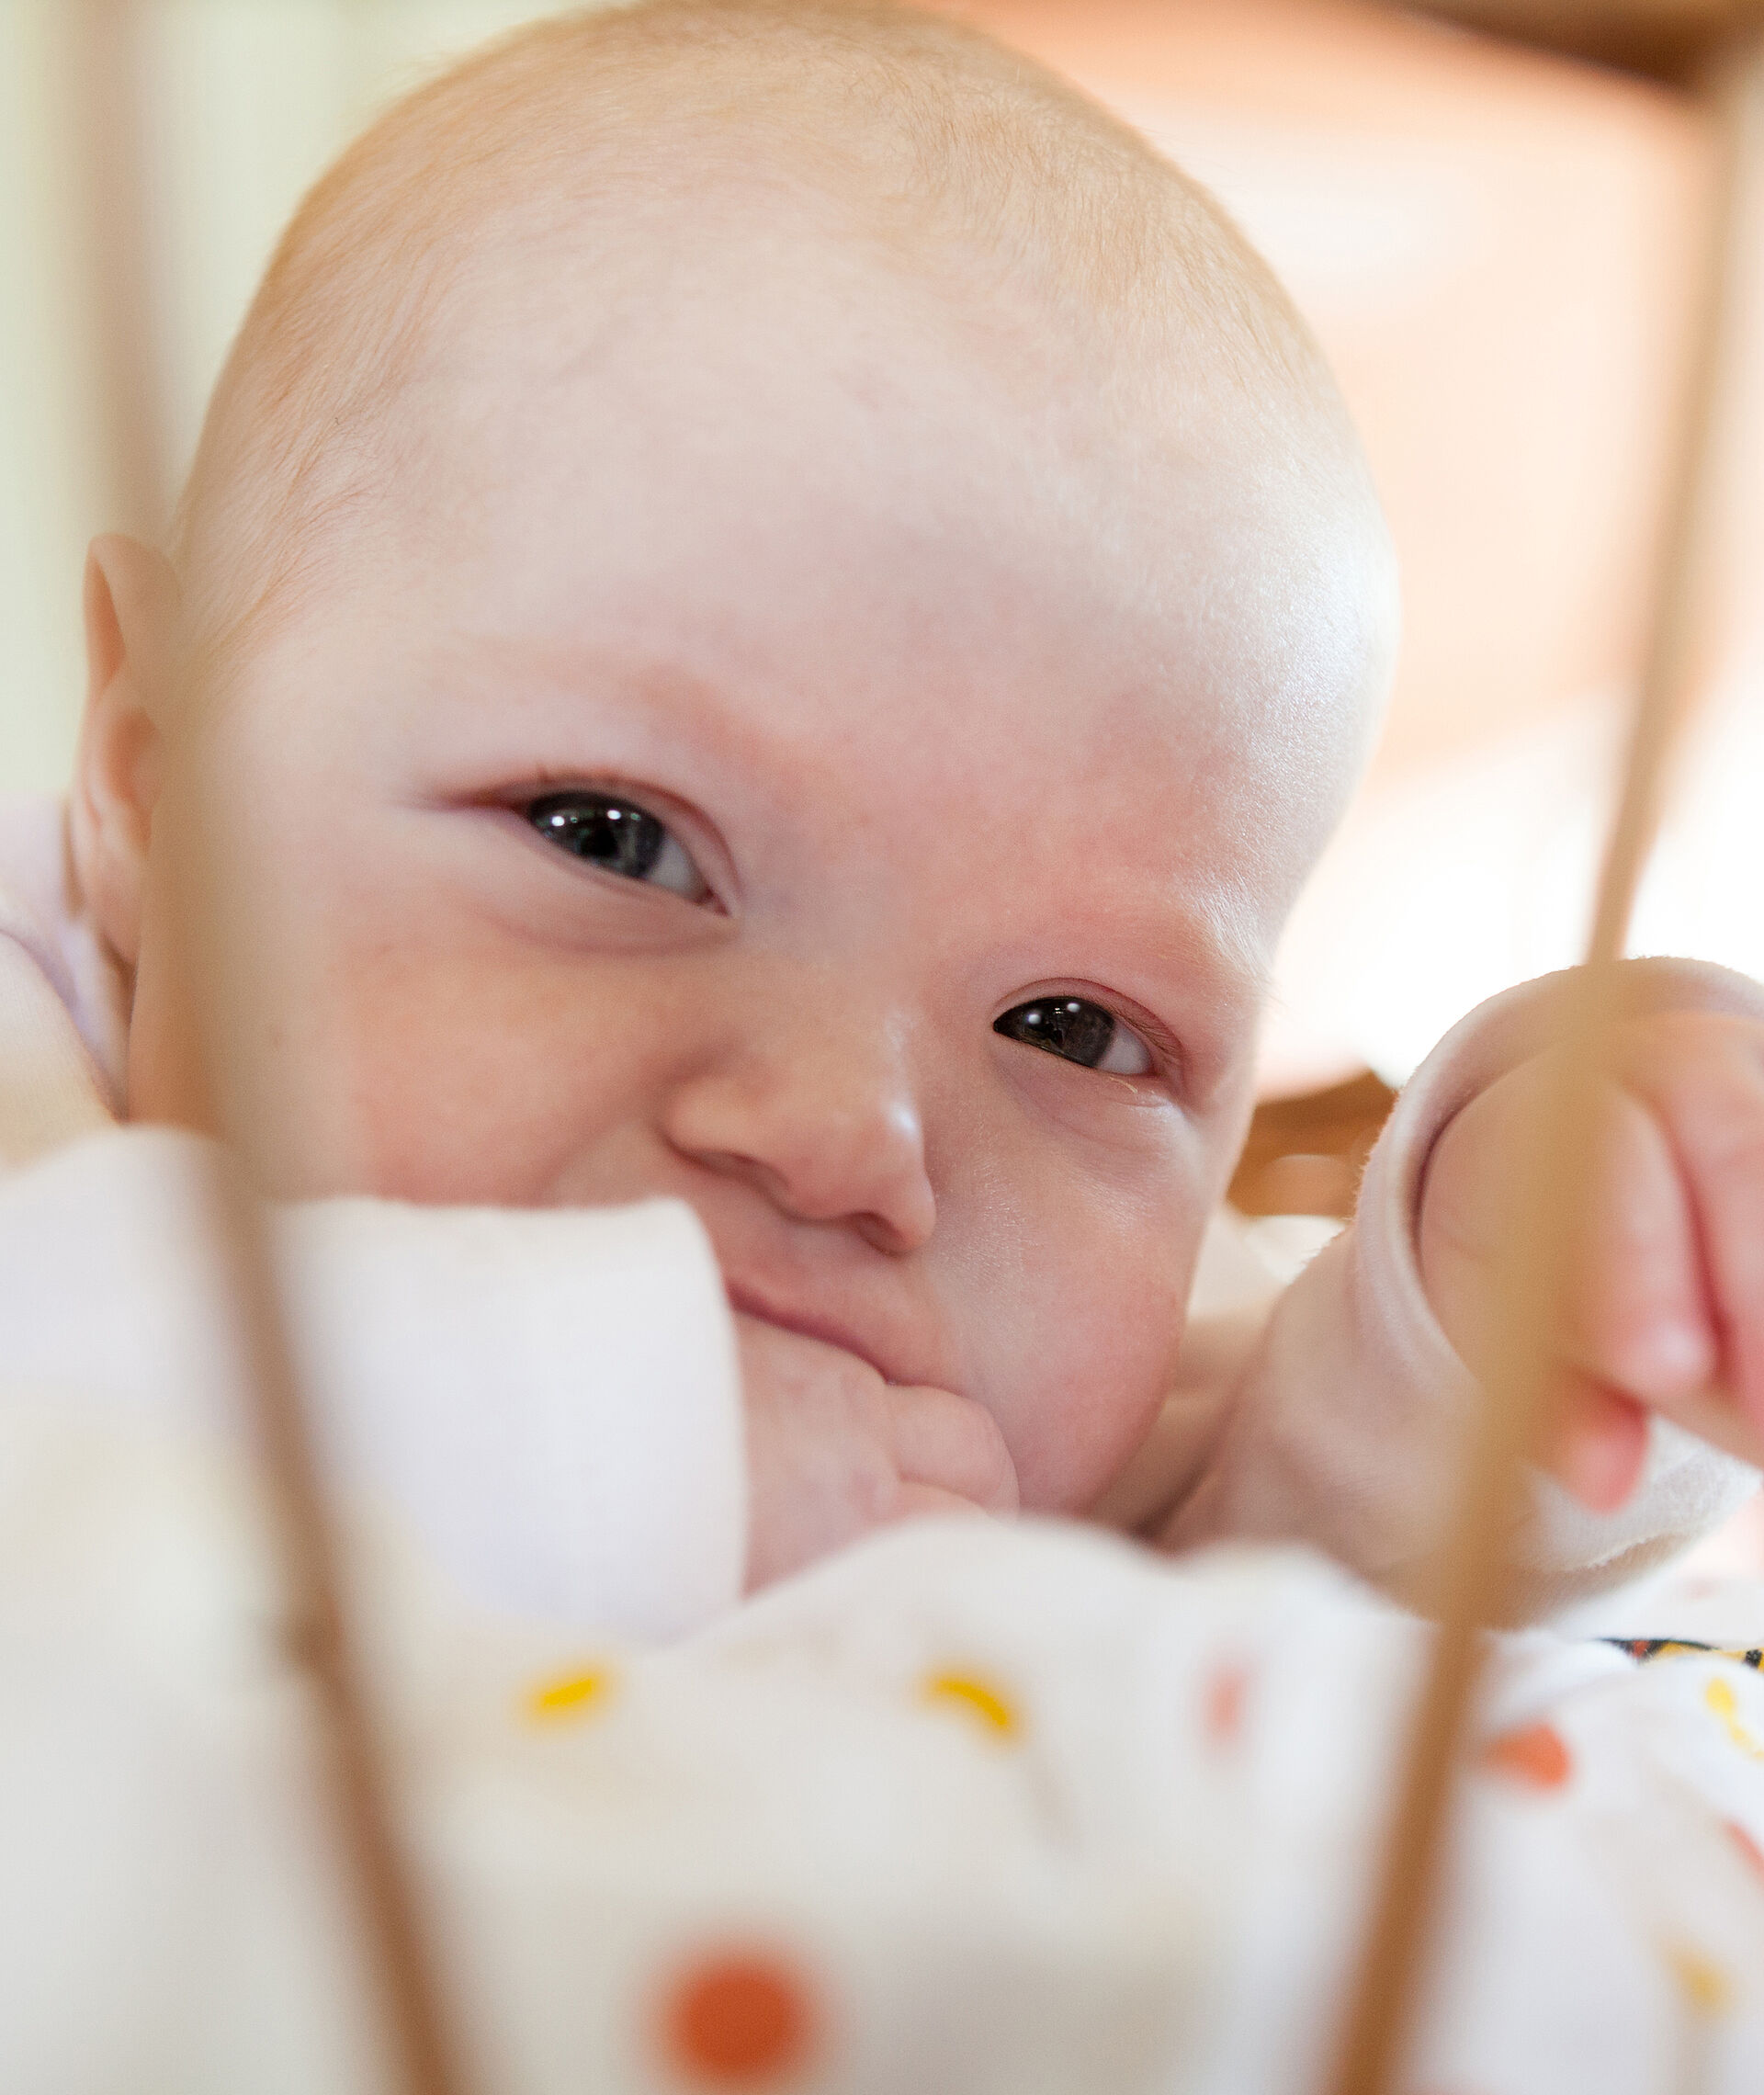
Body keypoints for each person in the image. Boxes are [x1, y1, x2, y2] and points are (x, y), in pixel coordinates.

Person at [3, 0, 1760, 1637]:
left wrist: (1503, 1315)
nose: (849, 1137)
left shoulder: (968, 1428)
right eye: (615, 838)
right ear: (152, 782)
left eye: (1072, 1031)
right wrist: (627, 1443)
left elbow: (1269, 1545)